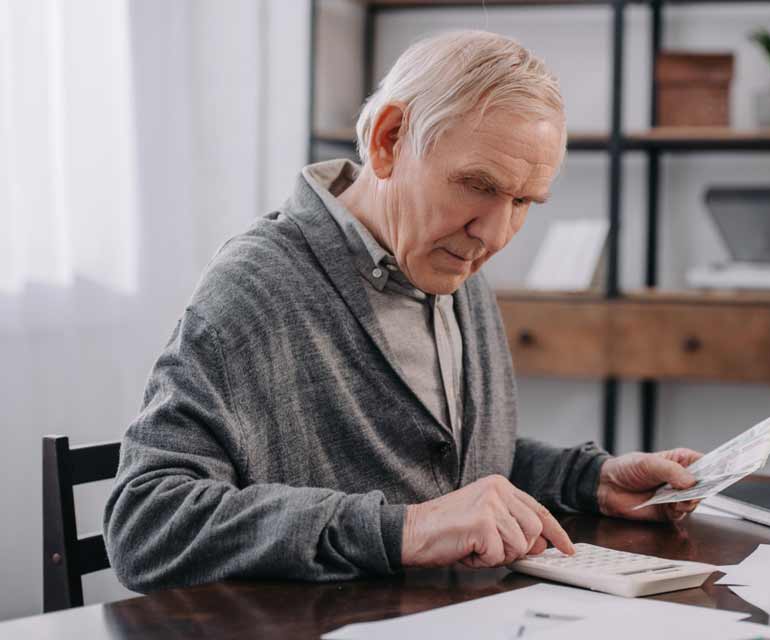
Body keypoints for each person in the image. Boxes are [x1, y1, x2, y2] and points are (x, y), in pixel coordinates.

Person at [103, 30, 702, 592]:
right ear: (389, 141)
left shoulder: (453, 265)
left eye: (523, 201)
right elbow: (146, 523)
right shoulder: (257, 285)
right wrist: (405, 531)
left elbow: (449, 474)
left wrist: (591, 480)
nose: (494, 234)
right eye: (477, 185)